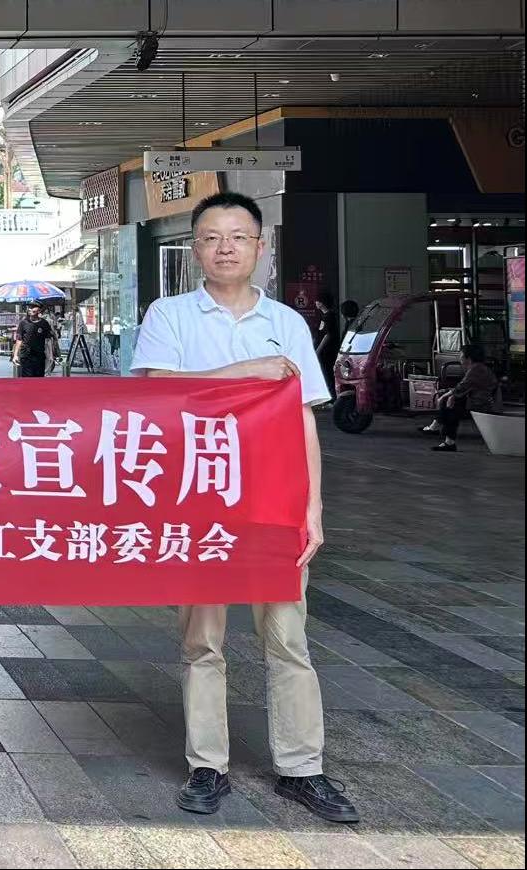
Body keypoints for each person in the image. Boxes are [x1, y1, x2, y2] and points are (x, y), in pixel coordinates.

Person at [131, 190, 359, 825]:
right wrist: (247, 371)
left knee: (287, 638)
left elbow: (304, 421)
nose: (225, 247)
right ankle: (207, 764)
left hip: (272, 500)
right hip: (198, 500)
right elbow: (155, 390)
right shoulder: (170, 315)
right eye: (211, 237)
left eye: (238, 236)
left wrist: (312, 507)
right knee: (202, 639)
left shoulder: (286, 322)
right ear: (195, 250)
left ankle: (302, 768)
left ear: (260, 247)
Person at [428, 344, 498, 452]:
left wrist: (445, 396)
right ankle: (443, 434)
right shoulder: (478, 368)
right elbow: (464, 387)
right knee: (451, 402)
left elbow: (462, 387)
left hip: (481, 403)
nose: (460, 357)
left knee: (452, 406)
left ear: (468, 358)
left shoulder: (476, 369)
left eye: (461, 355)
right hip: (478, 400)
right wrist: (449, 394)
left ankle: (442, 433)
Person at [12, 302, 58, 377]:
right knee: (27, 379)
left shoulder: (44, 323)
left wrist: (51, 355)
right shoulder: (23, 323)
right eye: (29, 307)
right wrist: (15, 355)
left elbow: (48, 339)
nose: (30, 309)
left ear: (39, 310)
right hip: (26, 355)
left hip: (39, 355)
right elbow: (19, 339)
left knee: (39, 379)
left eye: (33, 307)